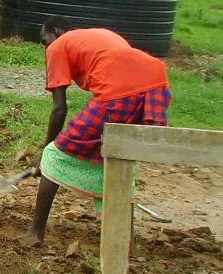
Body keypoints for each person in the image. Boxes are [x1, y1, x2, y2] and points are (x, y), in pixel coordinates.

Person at [24, 17, 171, 246]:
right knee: (117, 158)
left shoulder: (58, 46)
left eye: (45, 40)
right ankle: (124, 240)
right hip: (156, 86)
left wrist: (42, 151)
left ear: (57, 31)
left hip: (118, 93)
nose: (46, 46)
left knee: (54, 155)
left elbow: (59, 108)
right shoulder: (100, 34)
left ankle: (34, 233)